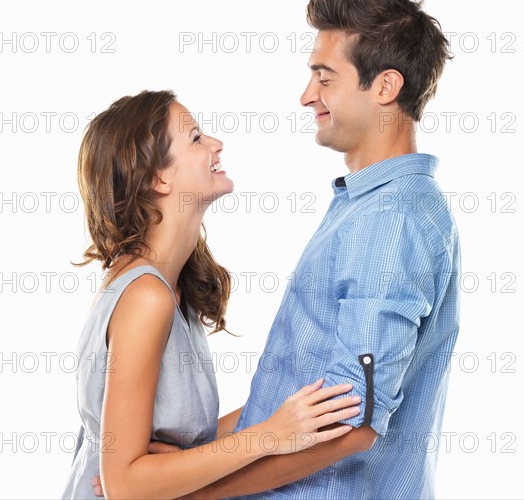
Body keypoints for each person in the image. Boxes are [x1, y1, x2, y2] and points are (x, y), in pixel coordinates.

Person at [92, 0, 460, 499]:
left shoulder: (392, 219)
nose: (307, 95)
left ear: (384, 87)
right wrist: (181, 467)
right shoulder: (362, 208)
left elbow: (352, 422)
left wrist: (187, 492)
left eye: (325, 78)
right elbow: (291, 405)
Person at [60, 90, 362, 499]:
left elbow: (183, 440)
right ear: (157, 178)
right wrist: (268, 436)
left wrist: (284, 417)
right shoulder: (146, 297)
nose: (216, 144)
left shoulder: (169, 286)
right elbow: (126, 485)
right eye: (197, 138)